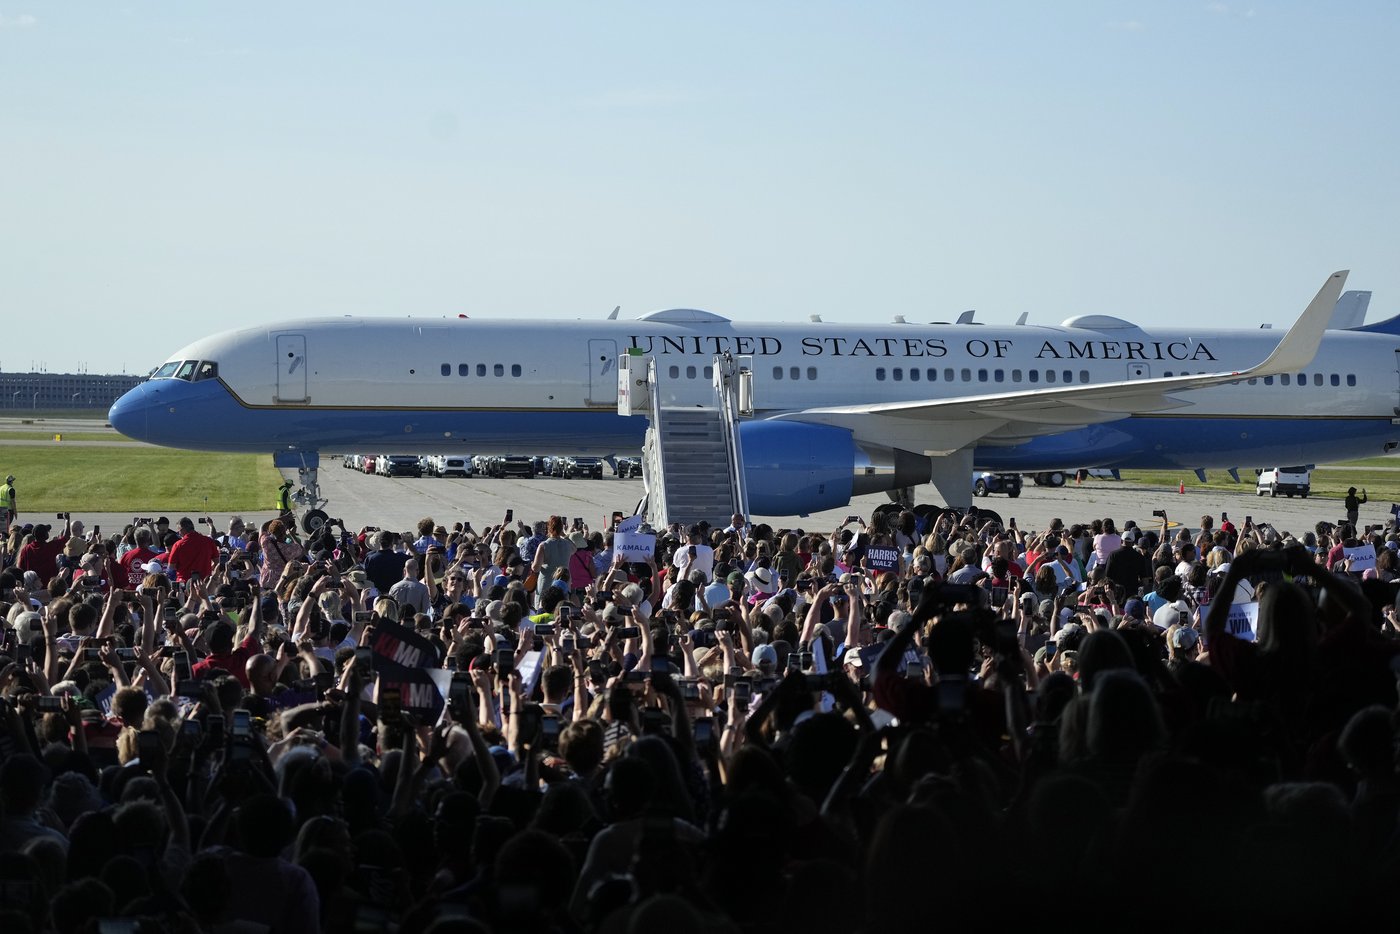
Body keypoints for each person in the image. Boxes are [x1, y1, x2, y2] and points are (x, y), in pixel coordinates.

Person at [166, 517, 221, 583]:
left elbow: (171, 567)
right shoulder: (208, 541)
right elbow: (217, 562)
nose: (179, 534)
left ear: (182, 529)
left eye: (179, 531)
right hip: (205, 582)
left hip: (184, 582)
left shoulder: (178, 544)